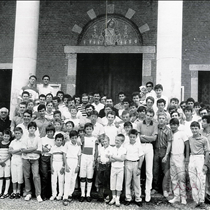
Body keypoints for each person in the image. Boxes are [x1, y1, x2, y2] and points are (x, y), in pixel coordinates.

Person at [138, 108, 158, 202]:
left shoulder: (154, 125)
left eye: (151, 116)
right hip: (140, 146)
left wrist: (144, 136)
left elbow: (154, 138)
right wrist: (145, 138)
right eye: (147, 115)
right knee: (138, 168)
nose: (149, 117)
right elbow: (138, 138)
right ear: (145, 115)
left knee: (149, 171)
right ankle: (137, 192)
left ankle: (147, 192)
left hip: (149, 147)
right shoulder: (139, 124)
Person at [188, 121, 209, 209]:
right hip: (192, 158)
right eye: (192, 129)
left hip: (200, 158)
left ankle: (201, 201)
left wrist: (205, 164)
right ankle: (195, 200)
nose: (194, 130)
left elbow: (207, 152)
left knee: (201, 181)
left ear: (199, 129)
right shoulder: (190, 138)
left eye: (196, 128)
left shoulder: (204, 139)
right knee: (193, 180)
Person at [168, 118, 189, 205]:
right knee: (173, 178)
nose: (173, 126)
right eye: (171, 124)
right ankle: (176, 196)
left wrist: (187, 157)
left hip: (180, 157)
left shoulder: (182, 133)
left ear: (178, 125)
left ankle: (183, 197)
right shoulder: (170, 134)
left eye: (175, 124)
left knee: (181, 178)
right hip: (172, 156)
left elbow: (187, 145)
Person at [152, 113, 173, 197]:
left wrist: (166, 155)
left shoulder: (168, 130)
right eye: (159, 118)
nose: (161, 120)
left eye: (163, 118)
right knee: (155, 170)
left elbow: (169, 143)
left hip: (164, 151)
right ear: (157, 119)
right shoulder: (155, 128)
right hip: (156, 150)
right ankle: (155, 188)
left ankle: (165, 189)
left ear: (166, 120)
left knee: (165, 171)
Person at [21, 121, 42, 202]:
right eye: (30, 128)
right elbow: (23, 150)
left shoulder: (38, 138)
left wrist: (28, 150)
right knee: (27, 176)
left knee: (36, 176)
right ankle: (28, 193)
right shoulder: (24, 138)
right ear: (28, 129)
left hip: (35, 159)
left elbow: (39, 150)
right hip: (26, 159)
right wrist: (34, 148)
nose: (32, 129)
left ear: (35, 129)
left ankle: (38, 194)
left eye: (33, 128)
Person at [124, 129, 144, 207]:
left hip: (136, 163)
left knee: (137, 182)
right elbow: (123, 154)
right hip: (127, 163)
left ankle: (138, 198)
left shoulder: (138, 145)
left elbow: (141, 157)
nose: (132, 138)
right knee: (127, 182)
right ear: (129, 136)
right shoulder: (126, 145)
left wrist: (139, 168)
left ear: (136, 137)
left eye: (134, 137)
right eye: (131, 137)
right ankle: (128, 198)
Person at [79, 123, 98, 202]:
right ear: (85, 130)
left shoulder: (95, 138)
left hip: (91, 158)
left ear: (92, 129)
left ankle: (88, 194)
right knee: (82, 176)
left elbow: (96, 150)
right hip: (83, 157)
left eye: (90, 129)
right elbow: (80, 149)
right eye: (87, 129)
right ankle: (82, 194)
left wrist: (95, 160)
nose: (88, 130)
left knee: (89, 177)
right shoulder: (82, 138)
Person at [63, 130, 81, 206]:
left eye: (75, 138)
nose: (74, 139)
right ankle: (65, 197)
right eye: (72, 138)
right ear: (70, 138)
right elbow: (64, 154)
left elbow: (79, 156)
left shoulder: (78, 145)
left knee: (73, 180)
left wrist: (78, 166)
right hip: (69, 161)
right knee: (67, 180)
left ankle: (70, 194)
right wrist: (66, 165)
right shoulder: (67, 144)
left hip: (75, 162)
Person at [109, 134, 126, 207]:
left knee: (119, 183)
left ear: (122, 142)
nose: (116, 141)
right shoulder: (112, 149)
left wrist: (114, 157)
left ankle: (118, 199)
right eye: (116, 140)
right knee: (113, 183)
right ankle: (113, 197)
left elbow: (122, 159)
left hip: (120, 168)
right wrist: (117, 158)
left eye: (118, 140)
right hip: (113, 168)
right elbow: (110, 160)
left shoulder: (123, 149)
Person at [40, 125, 55, 200]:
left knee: (52, 176)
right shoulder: (43, 139)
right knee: (44, 176)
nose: (50, 133)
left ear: (53, 132)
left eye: (51, 132)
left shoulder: (55, 140)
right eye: (48, 132)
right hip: (44, 158)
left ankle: (51, 193)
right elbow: (41, 148)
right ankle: (43, 194)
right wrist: (43, 149)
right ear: (46, 132)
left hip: (53, 158)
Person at [9, 127, 24, 199]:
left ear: (21, 134)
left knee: (19, 175)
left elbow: (22, 152)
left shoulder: (23, 142)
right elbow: (10, 151)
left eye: (19, 133)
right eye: (16, 133)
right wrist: (18, 150)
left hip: (20, 159)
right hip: (13, 159)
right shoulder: (13, 142)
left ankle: (18, 191)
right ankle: (14, 191)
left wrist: (14, 151)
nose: (17, 134)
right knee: (14, 175)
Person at [49, 133, 65, 201]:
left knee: (61, 180)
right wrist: (51, 167)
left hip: (60, 164)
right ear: (55, 140)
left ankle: (60, 194)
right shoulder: (53, 148)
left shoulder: (63, 148)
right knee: (53, 180)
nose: (59, 141)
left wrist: (63, 167)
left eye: (60, 140)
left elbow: (64, 158)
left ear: (62, 141)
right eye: (57, 140)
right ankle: (54, 194)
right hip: (54, 164)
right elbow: (51, 158)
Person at [97, 135, 112, 202]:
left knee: (107, 181)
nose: (104, 143)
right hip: (101, 165)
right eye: (103, 141)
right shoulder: (101, 148)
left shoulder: (111, 149)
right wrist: (98, 159)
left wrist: (108, 161)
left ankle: (107, 195)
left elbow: (111, 158)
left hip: (107, 165)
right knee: (100, 180)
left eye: (105, 141)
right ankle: (100, 196)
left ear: (108, 141)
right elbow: (99, 156)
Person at [0, 129, 12, 198]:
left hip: (7, 162)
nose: (6, 137)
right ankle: (0, 191)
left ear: (10, 137)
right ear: (2, 136)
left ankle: (6, 192)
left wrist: (4, 161)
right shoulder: (0, 142)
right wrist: (0, 161)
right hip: (0, 162)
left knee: (7, 176)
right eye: (5, 136)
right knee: (0, 177)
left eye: (7, 136)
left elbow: (9, 154)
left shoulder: (10, 143)